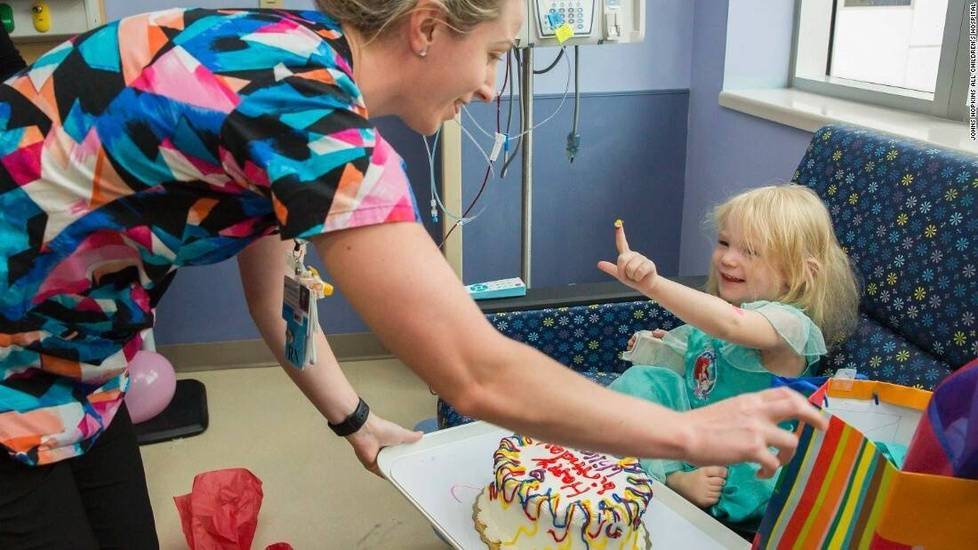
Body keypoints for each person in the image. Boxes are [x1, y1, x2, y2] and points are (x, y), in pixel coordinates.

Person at [0, 1, 827, 547]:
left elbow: (274, 295)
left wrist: (355, 420)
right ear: (427, 27)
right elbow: (475, 371)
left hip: (79, 368)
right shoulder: (309, 113)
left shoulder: (285, 59)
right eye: (495, 53)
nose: (492, 85)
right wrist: (691, 432)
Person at [599, 184, 859, 528]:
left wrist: (652, 285)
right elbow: (710, 352)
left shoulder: (793, 324)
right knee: (642, 381)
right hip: (693, 426)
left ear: (800, 273)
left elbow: (732, 327)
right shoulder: (728, 308)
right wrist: (675, 345)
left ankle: (677, 480)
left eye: (751, 251)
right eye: (724, 243)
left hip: (741, 452)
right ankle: (673, 475)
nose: (728, 258)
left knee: (763, 472)